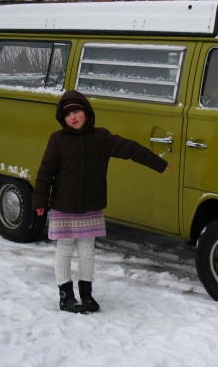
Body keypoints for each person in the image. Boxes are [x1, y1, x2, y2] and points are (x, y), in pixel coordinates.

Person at [32, 90, 171, 313]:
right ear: (62, 119)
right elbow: (45, 172)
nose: (73, 117)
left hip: (91, 204)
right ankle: (66, 296)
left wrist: (158, 163)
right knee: (64, 250)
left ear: (86, 112)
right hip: (63, 204)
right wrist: (39, 199)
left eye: (76, 111)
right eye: (67, 115)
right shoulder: (57, 140)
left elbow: (130, 149)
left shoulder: (102, 137)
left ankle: (86, 295)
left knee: (87, 250)